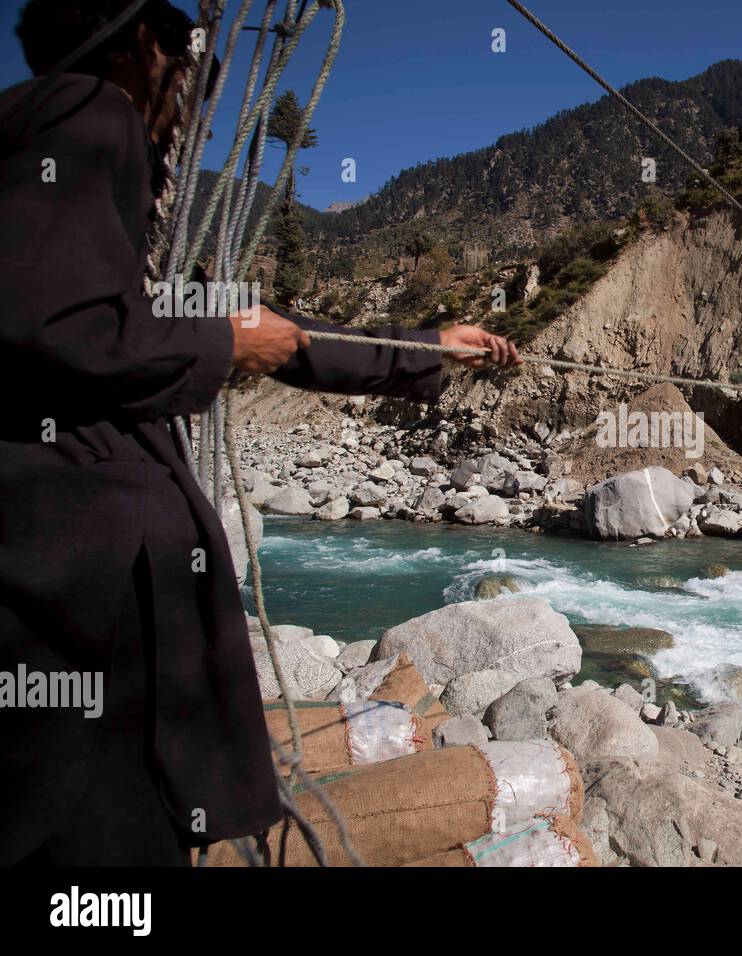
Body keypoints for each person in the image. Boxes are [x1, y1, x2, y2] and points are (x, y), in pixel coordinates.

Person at [0, 0, 519, 865]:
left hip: (64, 570)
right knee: (93, 826)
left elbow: (261, 331)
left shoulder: (54, 168)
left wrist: (425, 348)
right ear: (138, 47)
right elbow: (55, 325)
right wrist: (224, 344)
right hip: (75, 572)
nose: (192, 102)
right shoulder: (86, 115)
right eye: (185, 71)